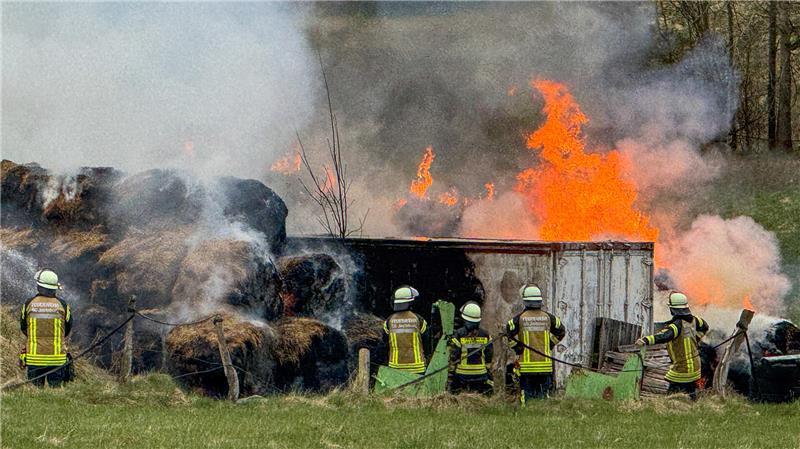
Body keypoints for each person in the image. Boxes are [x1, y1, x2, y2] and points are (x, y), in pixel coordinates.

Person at [636, 291, 709, 400]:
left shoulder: (676, 326)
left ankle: (671, 407)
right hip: (695, 366)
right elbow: (705, 327)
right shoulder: (695, 320)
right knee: (690, 392)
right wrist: (697, 338)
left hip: (683, 368)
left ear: (673, 309)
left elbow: (664, 336)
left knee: (672, 395)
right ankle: (693, 406)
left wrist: (645, 340)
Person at [506, 284, 565, 403]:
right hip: (545, 366)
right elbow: (561, 331)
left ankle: (527, 416)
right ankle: (542, 414)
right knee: (543, 396)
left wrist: (518, 348)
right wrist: (550, 344)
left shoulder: (519, 319)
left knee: (526, 396)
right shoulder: (549, 318)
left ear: (525, 301)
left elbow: (508, 333)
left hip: (527, 367)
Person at [20, 269, 73, 387]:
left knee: (35, 392)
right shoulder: (63, 305)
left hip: (34, 358)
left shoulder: (29, 304)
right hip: (57, 358)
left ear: (39, 286)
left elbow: (23, 327)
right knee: (56, 391)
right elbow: (67, 328)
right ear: (54, 288)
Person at [448, 301, 493, 395]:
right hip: (481, 374)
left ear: (464, 319)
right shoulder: (485, 335)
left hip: (462, 374)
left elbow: (454, 355)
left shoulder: (459, 334)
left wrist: (451, 372)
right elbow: (489, 355)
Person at [383, 286, 428, 374]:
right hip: (417, 366)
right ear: (411, 302)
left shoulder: (389, 321)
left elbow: (385, 344)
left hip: (395, 367)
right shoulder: (419, 319)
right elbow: (426, 342)